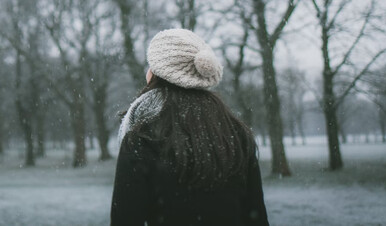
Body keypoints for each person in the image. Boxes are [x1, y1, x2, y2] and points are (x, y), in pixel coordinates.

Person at [111, 29, 269, 226]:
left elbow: (125, 219)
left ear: (157, 74)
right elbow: (256, 216)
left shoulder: (143, 137)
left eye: (151, 66)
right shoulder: (237, 134)